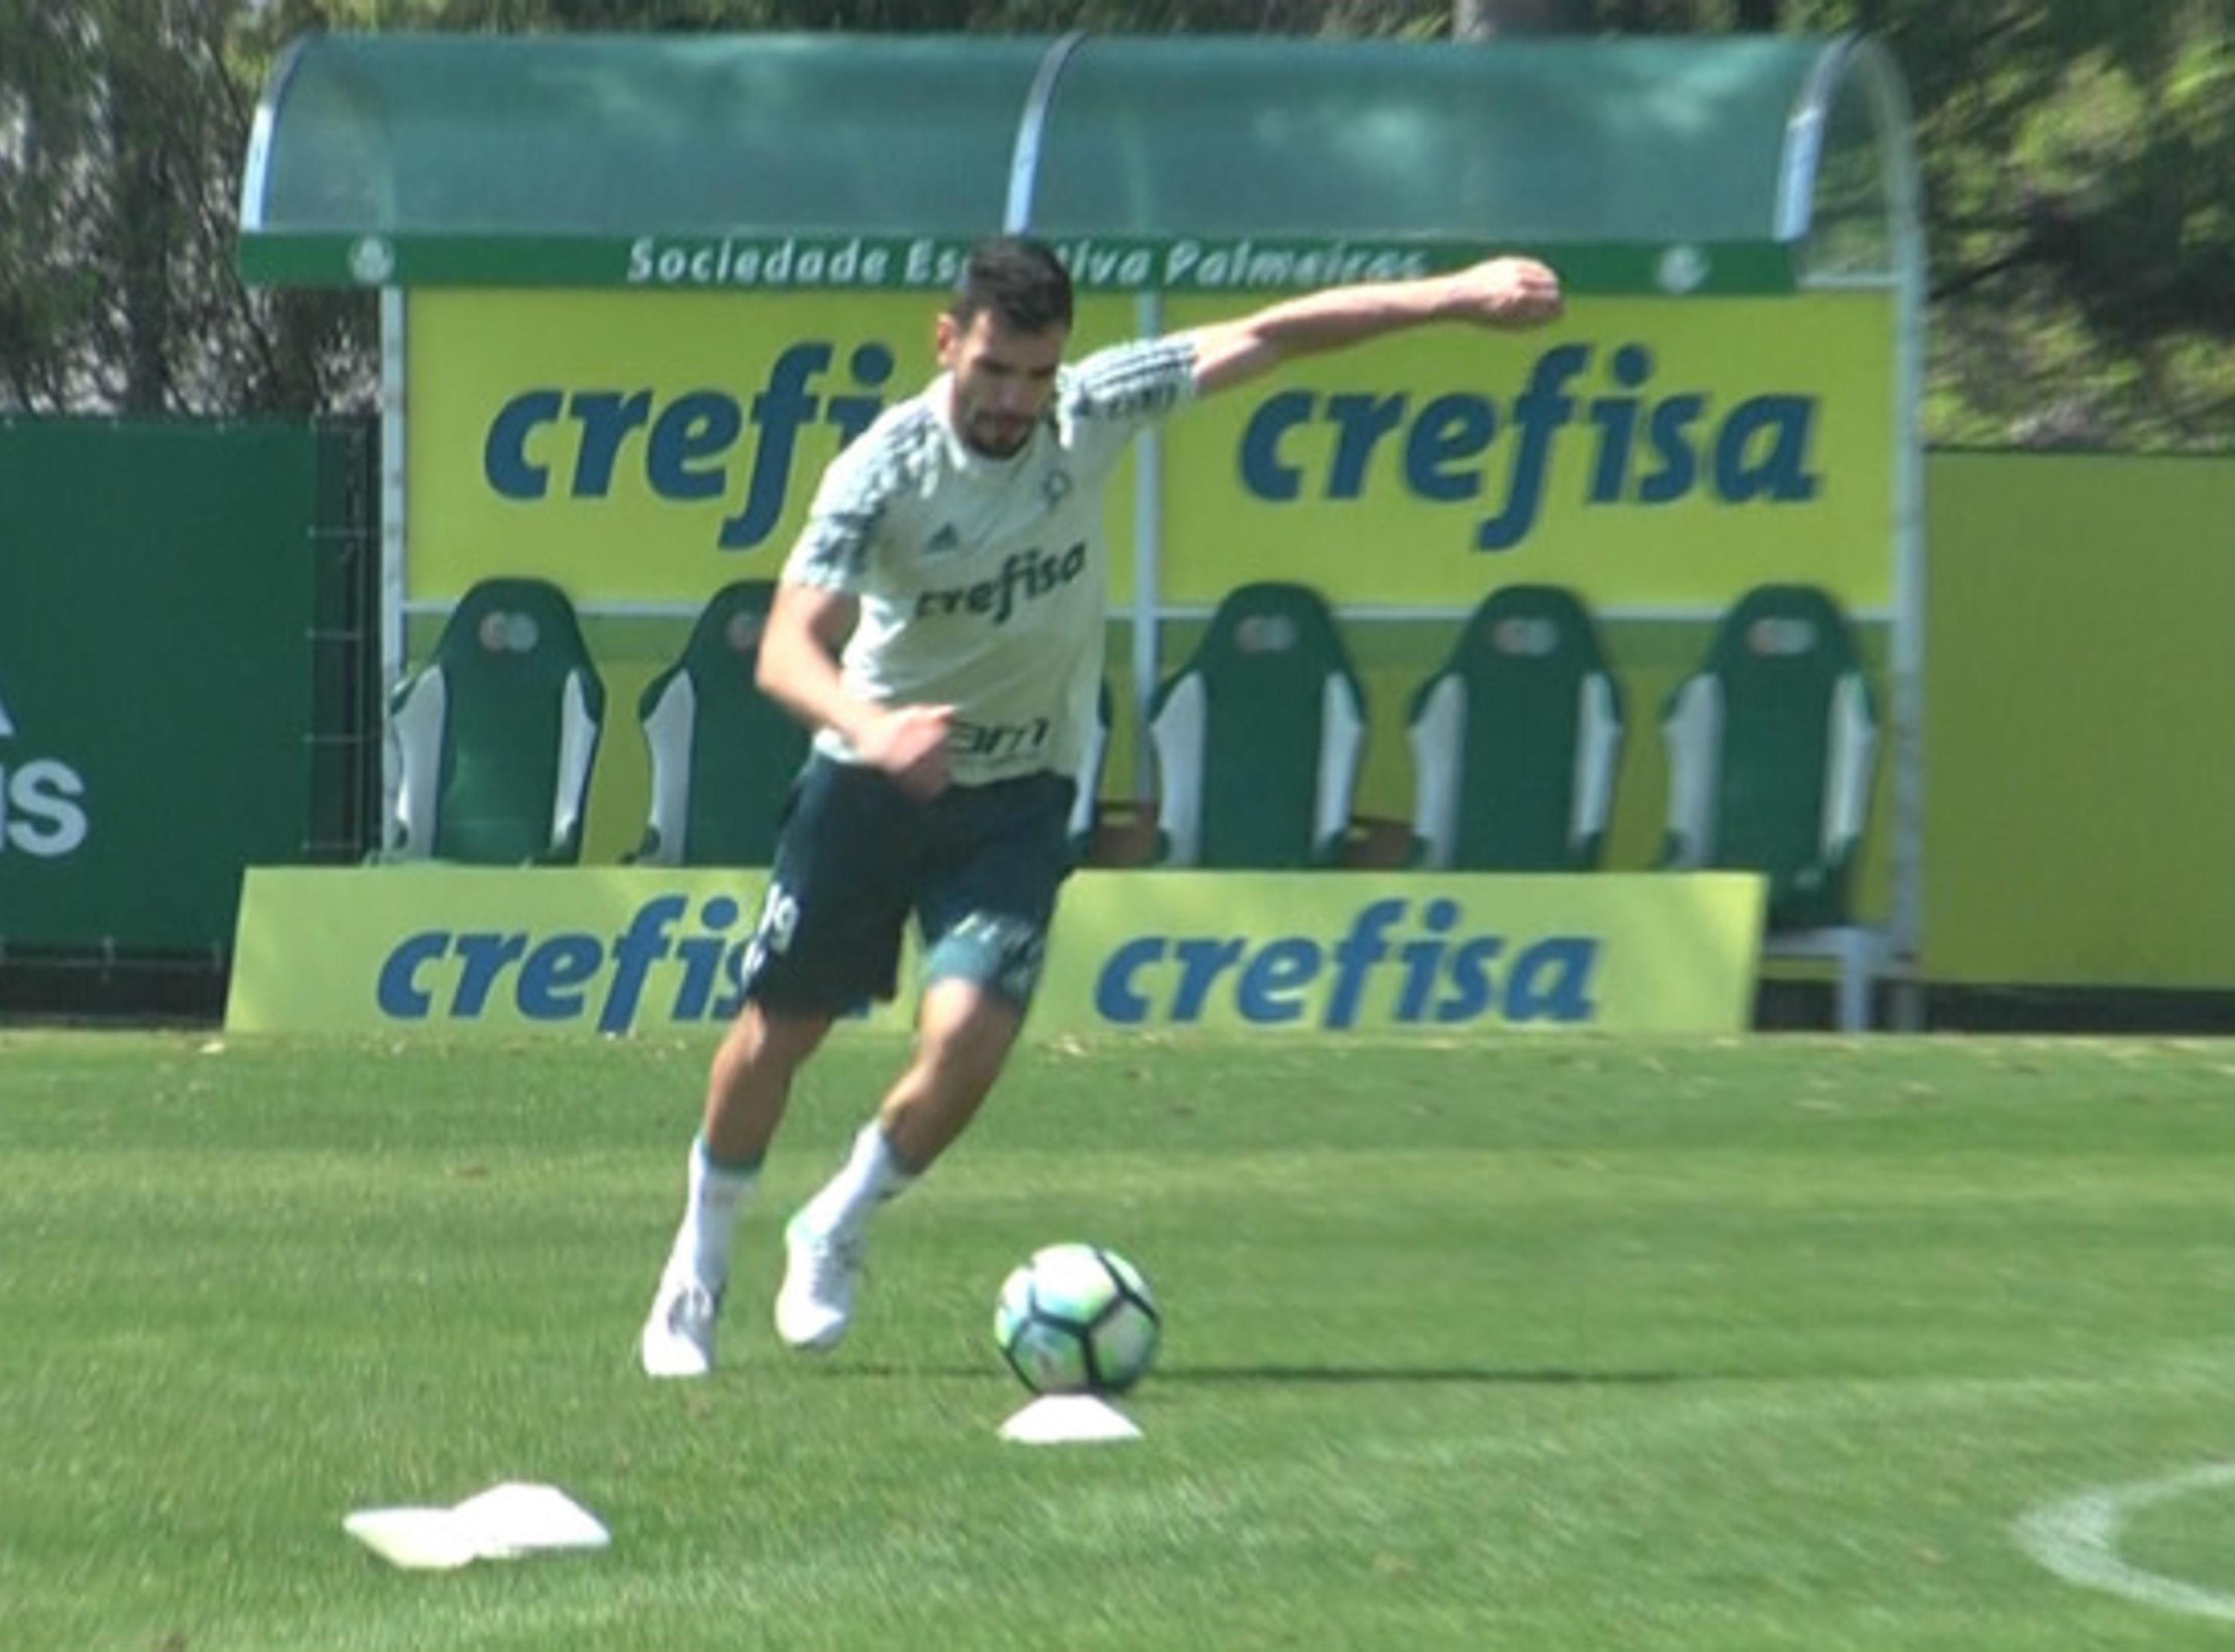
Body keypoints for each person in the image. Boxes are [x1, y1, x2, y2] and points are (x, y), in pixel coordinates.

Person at [641, 235, 1563, 1377]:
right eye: (993, 372)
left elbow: (1271, 334)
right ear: (947, 344)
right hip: (871, 785)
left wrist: (1454, 297)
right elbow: (787, 648)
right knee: (778, 1036)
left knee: (971, 1038)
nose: (1015, 401)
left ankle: (836, 1219)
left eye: (1035, 374)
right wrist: (877, 731)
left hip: (1020, 791)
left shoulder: (1093, 411)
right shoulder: (882, 470)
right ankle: (700, 1257)